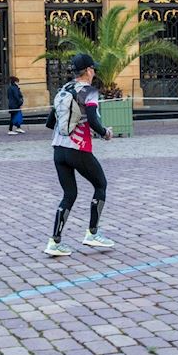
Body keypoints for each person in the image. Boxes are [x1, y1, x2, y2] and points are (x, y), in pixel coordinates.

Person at [44, 53, 113, 256]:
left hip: (58, 149)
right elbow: (92, 119)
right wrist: (105, 133)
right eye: (94, 70)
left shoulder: (62, 90)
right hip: (78, 148)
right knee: (100, 185)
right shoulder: (89, 92)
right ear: (89, 70)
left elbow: (50, 122)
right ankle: (92, 233)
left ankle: (54, 242)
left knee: (69, 194)